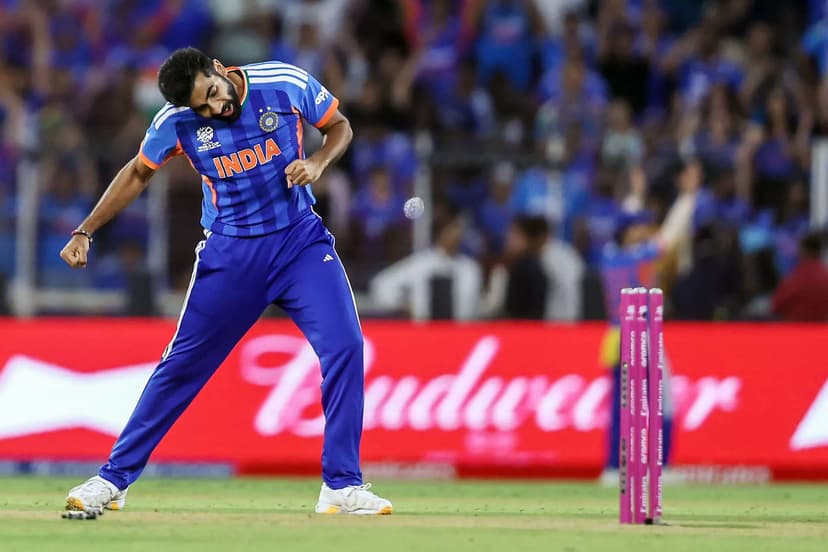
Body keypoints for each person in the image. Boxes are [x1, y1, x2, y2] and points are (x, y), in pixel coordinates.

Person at [59, 48, 392, 515]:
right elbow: (137, 173)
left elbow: (340, 126)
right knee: (181, 367)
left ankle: (341, 485)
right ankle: (113, 479)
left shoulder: (283, 82)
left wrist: (318, 163)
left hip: (299, 243)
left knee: (346, 346)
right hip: (232, 255)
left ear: (218, 68)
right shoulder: (176, 122)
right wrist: (85, 231)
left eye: (214, 93)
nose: (217, 108)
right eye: (204, 107)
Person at [598, 159, 700, 483]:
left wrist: (636, 194)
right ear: (628, 232)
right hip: (639, 334)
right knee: (657, 402)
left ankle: (616, 467)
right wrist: (688, 197)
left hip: (618, 336)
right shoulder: (641, 256)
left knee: (624, 404)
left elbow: (628, 226)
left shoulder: (608, 255)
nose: (644, 230)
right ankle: (656, 467)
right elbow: (671, 235)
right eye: (638, 227)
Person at [772, 233, 828, 321]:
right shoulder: (825, 276)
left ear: (804, 250)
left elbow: (776, 305)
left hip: (796, 327)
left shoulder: (795, 278)